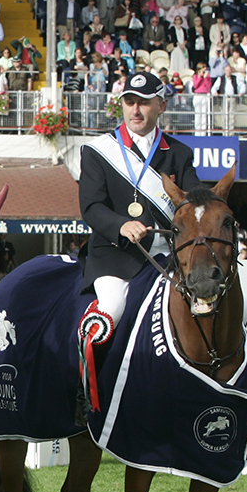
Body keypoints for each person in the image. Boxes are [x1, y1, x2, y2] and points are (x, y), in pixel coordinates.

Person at [78, 71, 203, 345]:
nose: (135, 110)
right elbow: (91, 206)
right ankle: (86, 384)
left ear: (162, 106)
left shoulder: (180, 153)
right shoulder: (98, 151)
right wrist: (121, 225)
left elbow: (195, 202)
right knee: (110, 311)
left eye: (144, 102)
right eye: (129, 101)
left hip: (171, 258)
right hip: (116, 256)